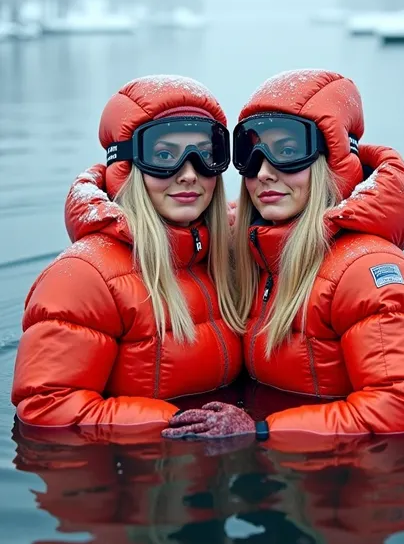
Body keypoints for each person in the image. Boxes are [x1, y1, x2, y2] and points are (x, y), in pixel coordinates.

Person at [162, 69, 404, 441]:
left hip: (335, 479)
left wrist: (262, 431)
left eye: (288, 152)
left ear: (334, 161)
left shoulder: (368, 271)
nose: (263, 172)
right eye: (250, 153)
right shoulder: (257, 252)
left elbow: (403, 405)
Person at [11, 74, 243, 431]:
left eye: (205, 155)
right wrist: (180, 424)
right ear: (128, 166)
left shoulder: (225, 256)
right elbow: (46, 407)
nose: (188, 174)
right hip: (142, 474)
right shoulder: (85, 276)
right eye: (164, 155)